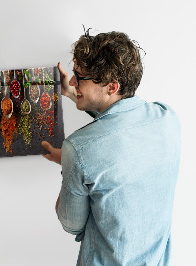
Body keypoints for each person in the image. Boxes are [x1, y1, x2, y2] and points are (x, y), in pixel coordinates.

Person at [42, 31, 181, 265]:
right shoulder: (168, 118)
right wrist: (71, 92)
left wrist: (70, 163)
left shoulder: (78, 149)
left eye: (79, 77)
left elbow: (71, 224)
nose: (73, 81)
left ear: (112, 86)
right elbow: (121, 122)